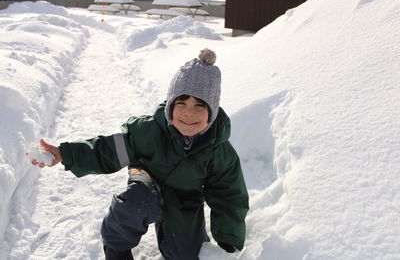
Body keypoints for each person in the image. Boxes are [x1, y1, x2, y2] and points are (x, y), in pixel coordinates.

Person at [32, 48, 249, 260]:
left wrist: (228, 244)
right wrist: (65, 154)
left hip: (184, 197)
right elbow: (107, 150)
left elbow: (229, 197)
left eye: (199, 105)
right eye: (181, 103)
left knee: (186, 254)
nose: (189, 112)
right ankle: (116, 250)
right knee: (135, 203)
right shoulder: (148, 131)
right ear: (170, 106)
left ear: (211, 112)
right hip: (147, 181)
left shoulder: (219, 151)